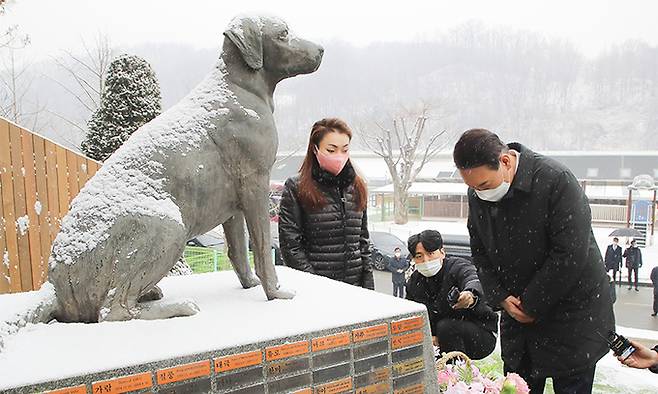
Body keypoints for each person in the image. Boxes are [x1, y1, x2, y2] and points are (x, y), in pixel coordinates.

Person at [453, 129, 614, 394]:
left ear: (505, 161)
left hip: (572, 316)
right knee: (517, 386)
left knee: (572, 386)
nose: (479, 193)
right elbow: (479, 251)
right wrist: (502, 297)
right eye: (472, 187)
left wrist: (531, 305)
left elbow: (569, 254)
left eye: (483, 186)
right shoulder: (478, 193)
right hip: (517, 317)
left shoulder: (556, 180)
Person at [278, 118, 374, 289]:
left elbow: (363, 241)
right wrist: (316, 285)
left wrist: (367, 282)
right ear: (315, 149)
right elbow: (290, 246)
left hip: (355, 288)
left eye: (345, 150)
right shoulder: (296, 187)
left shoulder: (357, 186)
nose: (339, 156)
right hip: (316, 289)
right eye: (331, 150)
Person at [405, 230, 498, 360]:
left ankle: (454, 374)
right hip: (438, 337)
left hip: (479, 334)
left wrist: (470, 294)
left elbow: (472, 278)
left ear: (442, 252)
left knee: (446, 327)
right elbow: (410, 313)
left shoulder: (457, 267)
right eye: (419, 256)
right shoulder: (414, 281)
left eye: (431, 253)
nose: (426, 260)